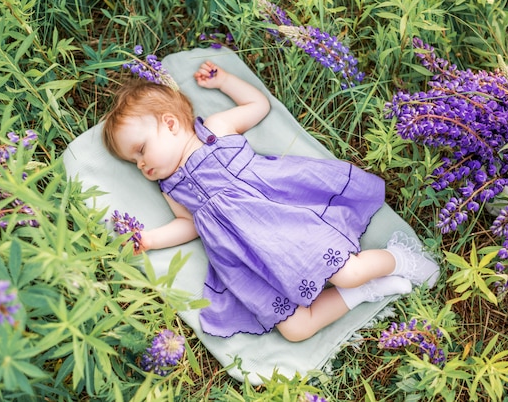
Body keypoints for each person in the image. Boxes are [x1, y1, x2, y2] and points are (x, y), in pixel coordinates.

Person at [102, 60, 439, 342]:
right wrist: (148, 239)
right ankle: (367, 292)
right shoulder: (171, 187)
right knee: (295, 328)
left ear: (171, 124)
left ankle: (399, 260)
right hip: (246, 255)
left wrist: (226, 81)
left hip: (282, 217)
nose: (142, 166)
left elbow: (258, 106)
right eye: (134, 164)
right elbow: (188, 225)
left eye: (141, 151)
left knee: (347, 272)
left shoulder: (215, 131)